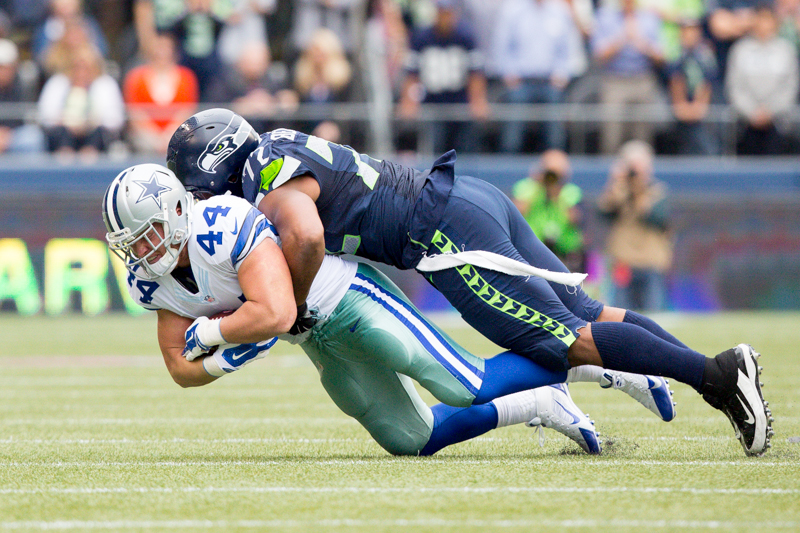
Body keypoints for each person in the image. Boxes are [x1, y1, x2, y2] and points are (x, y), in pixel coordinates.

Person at [166, 108, 774, 456]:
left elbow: (305, 237)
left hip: (443, 235)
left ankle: (717, 376)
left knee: (566, 341)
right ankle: (667, 367)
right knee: (591, 313)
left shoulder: (263, 172)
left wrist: (291, 301)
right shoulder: (272, 147)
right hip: (463, 200)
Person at [102, 164, 679, 456]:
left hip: (345, 299)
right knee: (413, 439)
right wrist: (223, 359)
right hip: (315, 337)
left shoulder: (220, 225)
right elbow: (179, 366)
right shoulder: (149, 279)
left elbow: (275, 312)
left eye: (148, 234)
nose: (143, 251)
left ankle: (597, 362)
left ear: (179, 209)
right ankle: (537, 401)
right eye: (133, 243)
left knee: (464, 384)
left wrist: (216, 331)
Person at [397, 0, 489, 154]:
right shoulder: (422, 37)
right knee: (435, 149)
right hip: (432, 102)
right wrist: (408, 101)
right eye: (442, 11)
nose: (445, 16)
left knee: (464, 150)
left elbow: (476, 73)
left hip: (460, 103)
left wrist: (478, 100)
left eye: (448, 12)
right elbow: (412, 74)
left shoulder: (466, 36)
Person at [596, 141, 672, 311]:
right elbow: (603, 213)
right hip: (623, 260)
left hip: (650, 261)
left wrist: (639, 190)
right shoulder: (618, 191)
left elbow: (656, 218)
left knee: (654, 311)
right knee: (619, 311)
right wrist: (615, 183)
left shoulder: (658, 191)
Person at [492, 0, 574, 152]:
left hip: (550, 81)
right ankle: (508, 163)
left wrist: (562, 73)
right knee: (513, 134)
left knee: (555, 135)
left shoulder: (559, 10)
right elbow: (502, 47)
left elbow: (567, 49)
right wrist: (509, 73)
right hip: (520, 81)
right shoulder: (512, 10)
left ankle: (554, 167)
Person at [591, 0, 665, 154]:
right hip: (614, 80)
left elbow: (661, 57)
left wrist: (642, 44)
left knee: (642, 135)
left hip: (643, 79)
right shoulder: (605, 16)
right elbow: (599, 55)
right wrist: (623, 38)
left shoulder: (650, 18)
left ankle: (642, 174)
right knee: (612, 134)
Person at [725, 3, 799, 155]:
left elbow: (790, 86)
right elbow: (734, 86)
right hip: (746, 125)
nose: (764, 24)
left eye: (768, 19)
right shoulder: (740, 50)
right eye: (760, 19)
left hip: (779, 124)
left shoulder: (786, 50)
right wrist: (752, 112)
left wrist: (771, 111)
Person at [37, 42, 125, 159]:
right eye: (77, 67)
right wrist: (67, 121)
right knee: (61, 134)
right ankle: (64, 162)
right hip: (63, 133)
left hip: (96, 135)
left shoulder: (105, 84)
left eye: (86, 67)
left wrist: (90, 122)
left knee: (98, 133)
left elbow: (116, 120)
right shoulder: (58, 83)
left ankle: (89, 163)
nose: (81, 72)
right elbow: (45, 116)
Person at [123, 30, 199, 155]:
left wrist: (170, 137)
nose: (161, 52)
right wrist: (154, 140)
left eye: (166, 47)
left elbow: (188, 110)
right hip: (144, 142)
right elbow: (134, 112)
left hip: (178, 140)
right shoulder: (135, 77)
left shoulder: (187, 77)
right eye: (158, 47)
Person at [511, 150, 584, 273]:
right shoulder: (527, 187)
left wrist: (557, 195)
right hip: (531, 251)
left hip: (562, 251)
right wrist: (537, 187)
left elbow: (575, 219)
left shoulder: (570, 191)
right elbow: (516, 213)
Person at [668, 17, 720, 156]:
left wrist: (699, 106)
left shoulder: (706, 55)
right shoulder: (676, 54)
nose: (689, 35)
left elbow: (707, 83)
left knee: (706, 143)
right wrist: (681, 105)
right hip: (680, 106)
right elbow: (675, 80)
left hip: (703, 107)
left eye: (693, 31)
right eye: (686, 31)